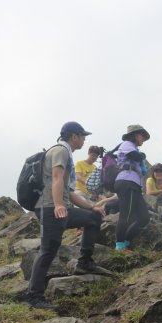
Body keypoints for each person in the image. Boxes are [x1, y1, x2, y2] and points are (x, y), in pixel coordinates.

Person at [27, 122, 110, 309]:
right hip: (50, 209)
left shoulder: (67, 154)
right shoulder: (61, 151)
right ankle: (34, 296)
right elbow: (56, 178)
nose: (84, 139)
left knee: (93, 218)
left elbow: (69, 192)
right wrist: (57, 205)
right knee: (48, 250)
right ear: (74, 136)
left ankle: (85, 262)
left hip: (60, 207)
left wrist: (92, 206)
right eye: (82, 136)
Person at [114, 125, 151, 250]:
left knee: (144, 217)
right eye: (142, 136)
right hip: (126, 181)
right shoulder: (126, 144)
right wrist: (143, 156)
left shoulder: (134, 147)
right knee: (126, 215)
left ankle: (126, 242)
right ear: (135, 135)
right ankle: (119, 246)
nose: (143, 139)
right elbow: (135, 156)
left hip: (134, 184)